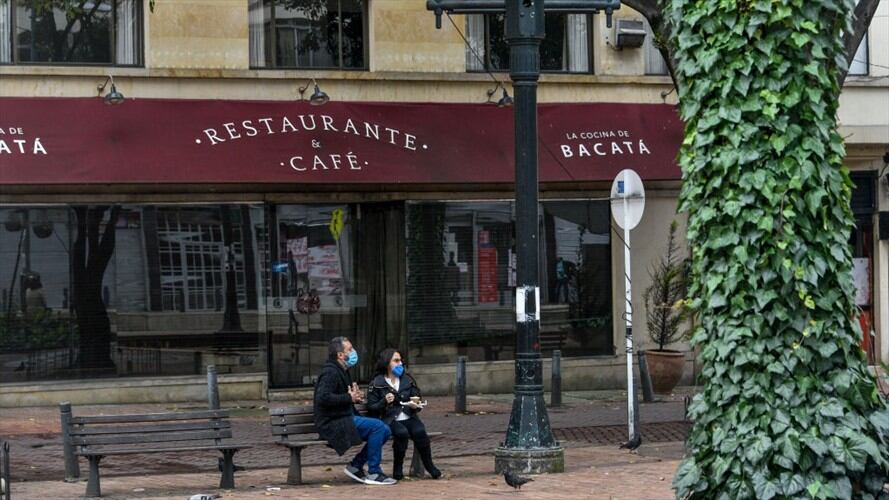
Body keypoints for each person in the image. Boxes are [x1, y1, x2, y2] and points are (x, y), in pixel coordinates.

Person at [313, 336, 397, 485]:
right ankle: (374, 473)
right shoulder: (330, 372)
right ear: (340, 355)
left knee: (385, 430)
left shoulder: (342, 370)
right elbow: (323, 398)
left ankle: (356, 465)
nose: (353, 352)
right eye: (350, 350)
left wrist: (354, 399)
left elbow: (340, 398)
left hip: (343, 417)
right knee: (377, 427)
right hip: (333, 423)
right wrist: (348, 398)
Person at [366, 348, 441, 480]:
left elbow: (416, 397)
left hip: (408, 415)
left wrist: (416, 405)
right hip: (389, 419)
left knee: (419, 431)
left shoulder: (408, 380)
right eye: (396, 360)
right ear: (387, 363)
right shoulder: (377, 383)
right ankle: (398, 468)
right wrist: (384, 401)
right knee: (401, 433)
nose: (400, 363)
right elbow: (371, 408)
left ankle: (430, 466)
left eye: (401, 360)